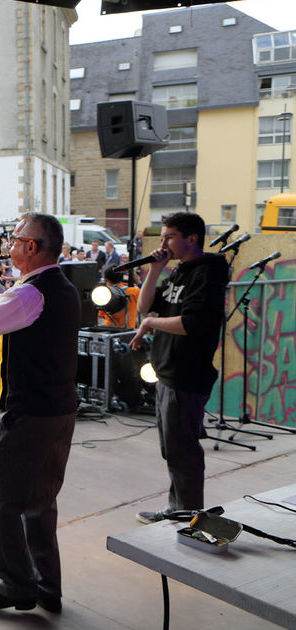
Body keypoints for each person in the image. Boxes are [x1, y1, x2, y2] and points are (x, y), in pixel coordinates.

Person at [0, 212, 80, 614]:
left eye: (14, 239)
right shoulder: (59, 287)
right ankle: (47, 585)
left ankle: (16, 583)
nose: (8, 246)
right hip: (59, 409)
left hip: (30, 413)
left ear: (31, 247)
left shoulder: (32, 294)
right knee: (40, 500)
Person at [129, 212, 229, 523]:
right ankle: (179, 509)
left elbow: (192, 322)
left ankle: (188, 516)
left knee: (182, 451)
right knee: (173, 449)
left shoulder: (208, 271)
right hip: (168, 370)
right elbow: (145, 306)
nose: (163, 243)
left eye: (169, 237)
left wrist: (149, 324)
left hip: (187, 373)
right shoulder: (179, 272)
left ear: (191, 238)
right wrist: (155, 270)